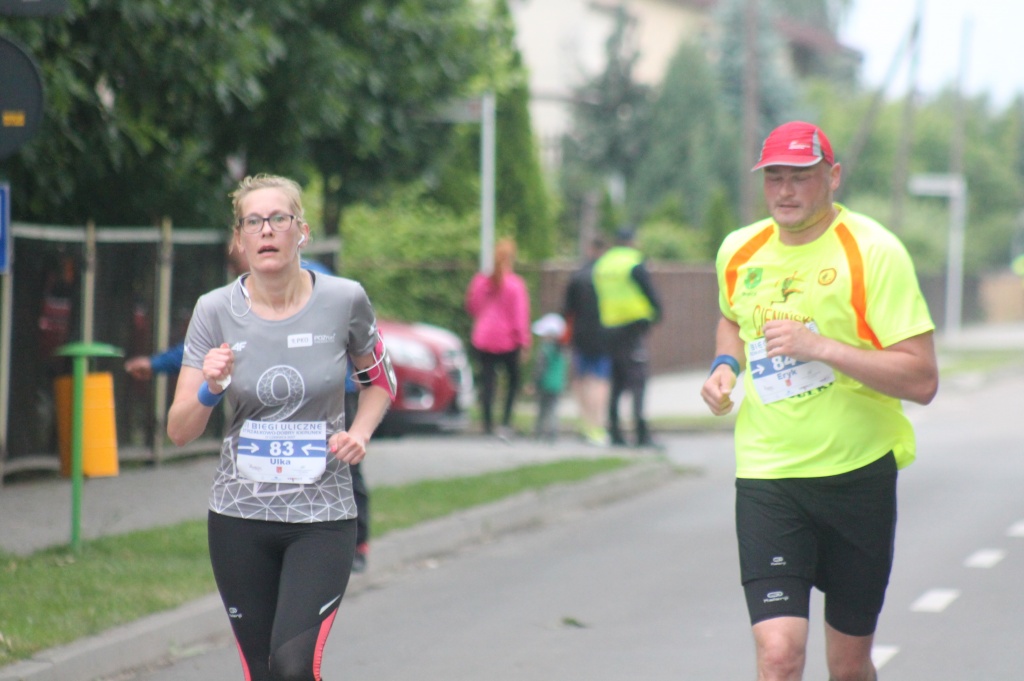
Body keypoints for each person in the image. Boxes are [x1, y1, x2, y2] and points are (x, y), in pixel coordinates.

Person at [700, 121, 939, 681]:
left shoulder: (874, 252)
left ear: (833, 177)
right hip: (769, 476)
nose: (785, 191)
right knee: (779, 655)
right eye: (774, 178)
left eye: (800, 178)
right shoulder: (739, 249)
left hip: (857, 476)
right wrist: (723, 366)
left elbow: (922, 379)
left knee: (849, 666)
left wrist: (822, 347)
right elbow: (732, 318)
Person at [166, 174, 396, 681]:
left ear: (302, 232)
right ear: (240, 239)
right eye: (253, 221)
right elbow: (179, 430)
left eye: (278, 219)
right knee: (264, 671)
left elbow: (381, 381)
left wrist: (359, 433)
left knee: (293, 666)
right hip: (238, 516)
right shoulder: (214, 311)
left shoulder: (344, 300)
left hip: (323, 514)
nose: (266, 230)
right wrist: (209, 386)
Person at [126, 258, 375, 573]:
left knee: (344, 467)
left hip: (325, 394)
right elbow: (205, 347)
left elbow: (356, 337)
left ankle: (355, 542)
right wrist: (158, 364)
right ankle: (275, 537)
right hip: (273, 398)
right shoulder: (229, 301)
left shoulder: (319, 282)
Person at [592, 227, 662, 448]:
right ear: (631, 241)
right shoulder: (633, 261)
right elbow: (649, 291)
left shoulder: (603, 264)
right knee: (638, 380)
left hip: (609, 327)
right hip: (632, 328)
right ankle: (641, 434)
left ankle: (614, 432)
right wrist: (657, 313)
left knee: (617, 381)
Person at [464, 237, 531, 438]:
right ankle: (505, 422)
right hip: (508, 340)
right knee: (513, 381)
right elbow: (520, 316)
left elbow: (472, 308)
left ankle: (487, 424)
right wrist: (524, 342)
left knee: (487, 382)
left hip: (483, 338)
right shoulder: (515, 285)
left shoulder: (480, 282)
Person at [562, 236, 612, 447]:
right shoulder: (609, 277)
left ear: (590, 249)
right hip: (604, 335)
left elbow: (567, 310)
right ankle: (598, 426)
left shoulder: (578, 276)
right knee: (600, 381)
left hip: (580, 335)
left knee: (581, 380)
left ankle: (585, 424)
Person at [530, 312, 568, 442]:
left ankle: (539, 432)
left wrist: (534, 383)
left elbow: (540, 368)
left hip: (545, 384)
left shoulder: (544, 350)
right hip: (557, 385)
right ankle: (552, 433)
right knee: (553, 409)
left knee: (542, 409)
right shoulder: (562, 351)